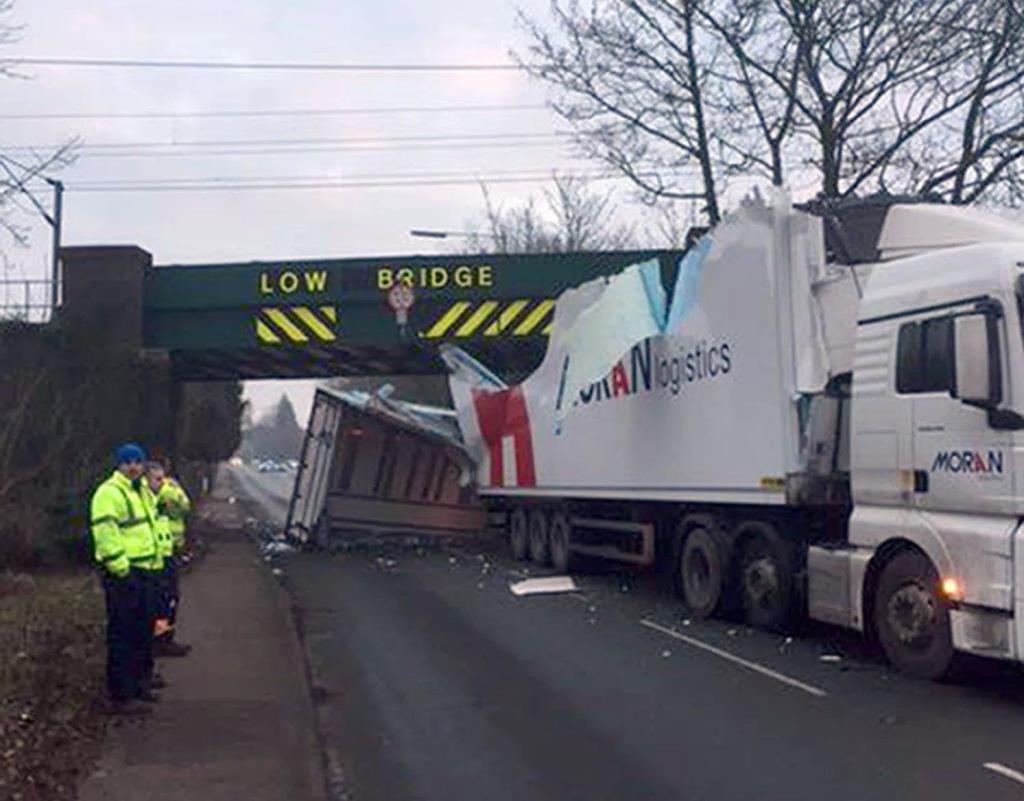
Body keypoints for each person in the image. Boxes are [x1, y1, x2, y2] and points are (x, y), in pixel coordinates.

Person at [89, 443, 162, 715]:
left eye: (137, 461)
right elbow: (106, 535)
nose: (133, 466)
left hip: (147, 571)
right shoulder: (109, 494)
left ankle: (140, 686)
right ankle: (121, 695)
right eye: (127, 462)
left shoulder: (142, 490)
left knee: (143, 631)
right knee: (123, 634)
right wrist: (122, 570)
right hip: (125, 575)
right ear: (118, 465)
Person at [146, 461, 192, 657]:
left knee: (170, 600)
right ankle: (159, 641)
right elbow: (181, 501)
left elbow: (185, 506)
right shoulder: (157, 495)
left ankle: (165, 638)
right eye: (157, 479)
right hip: (159, 556)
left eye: (163, 477)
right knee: (163, 602)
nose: (162, 482)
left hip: (171, 551)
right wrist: (170, 486)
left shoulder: (165, 493)